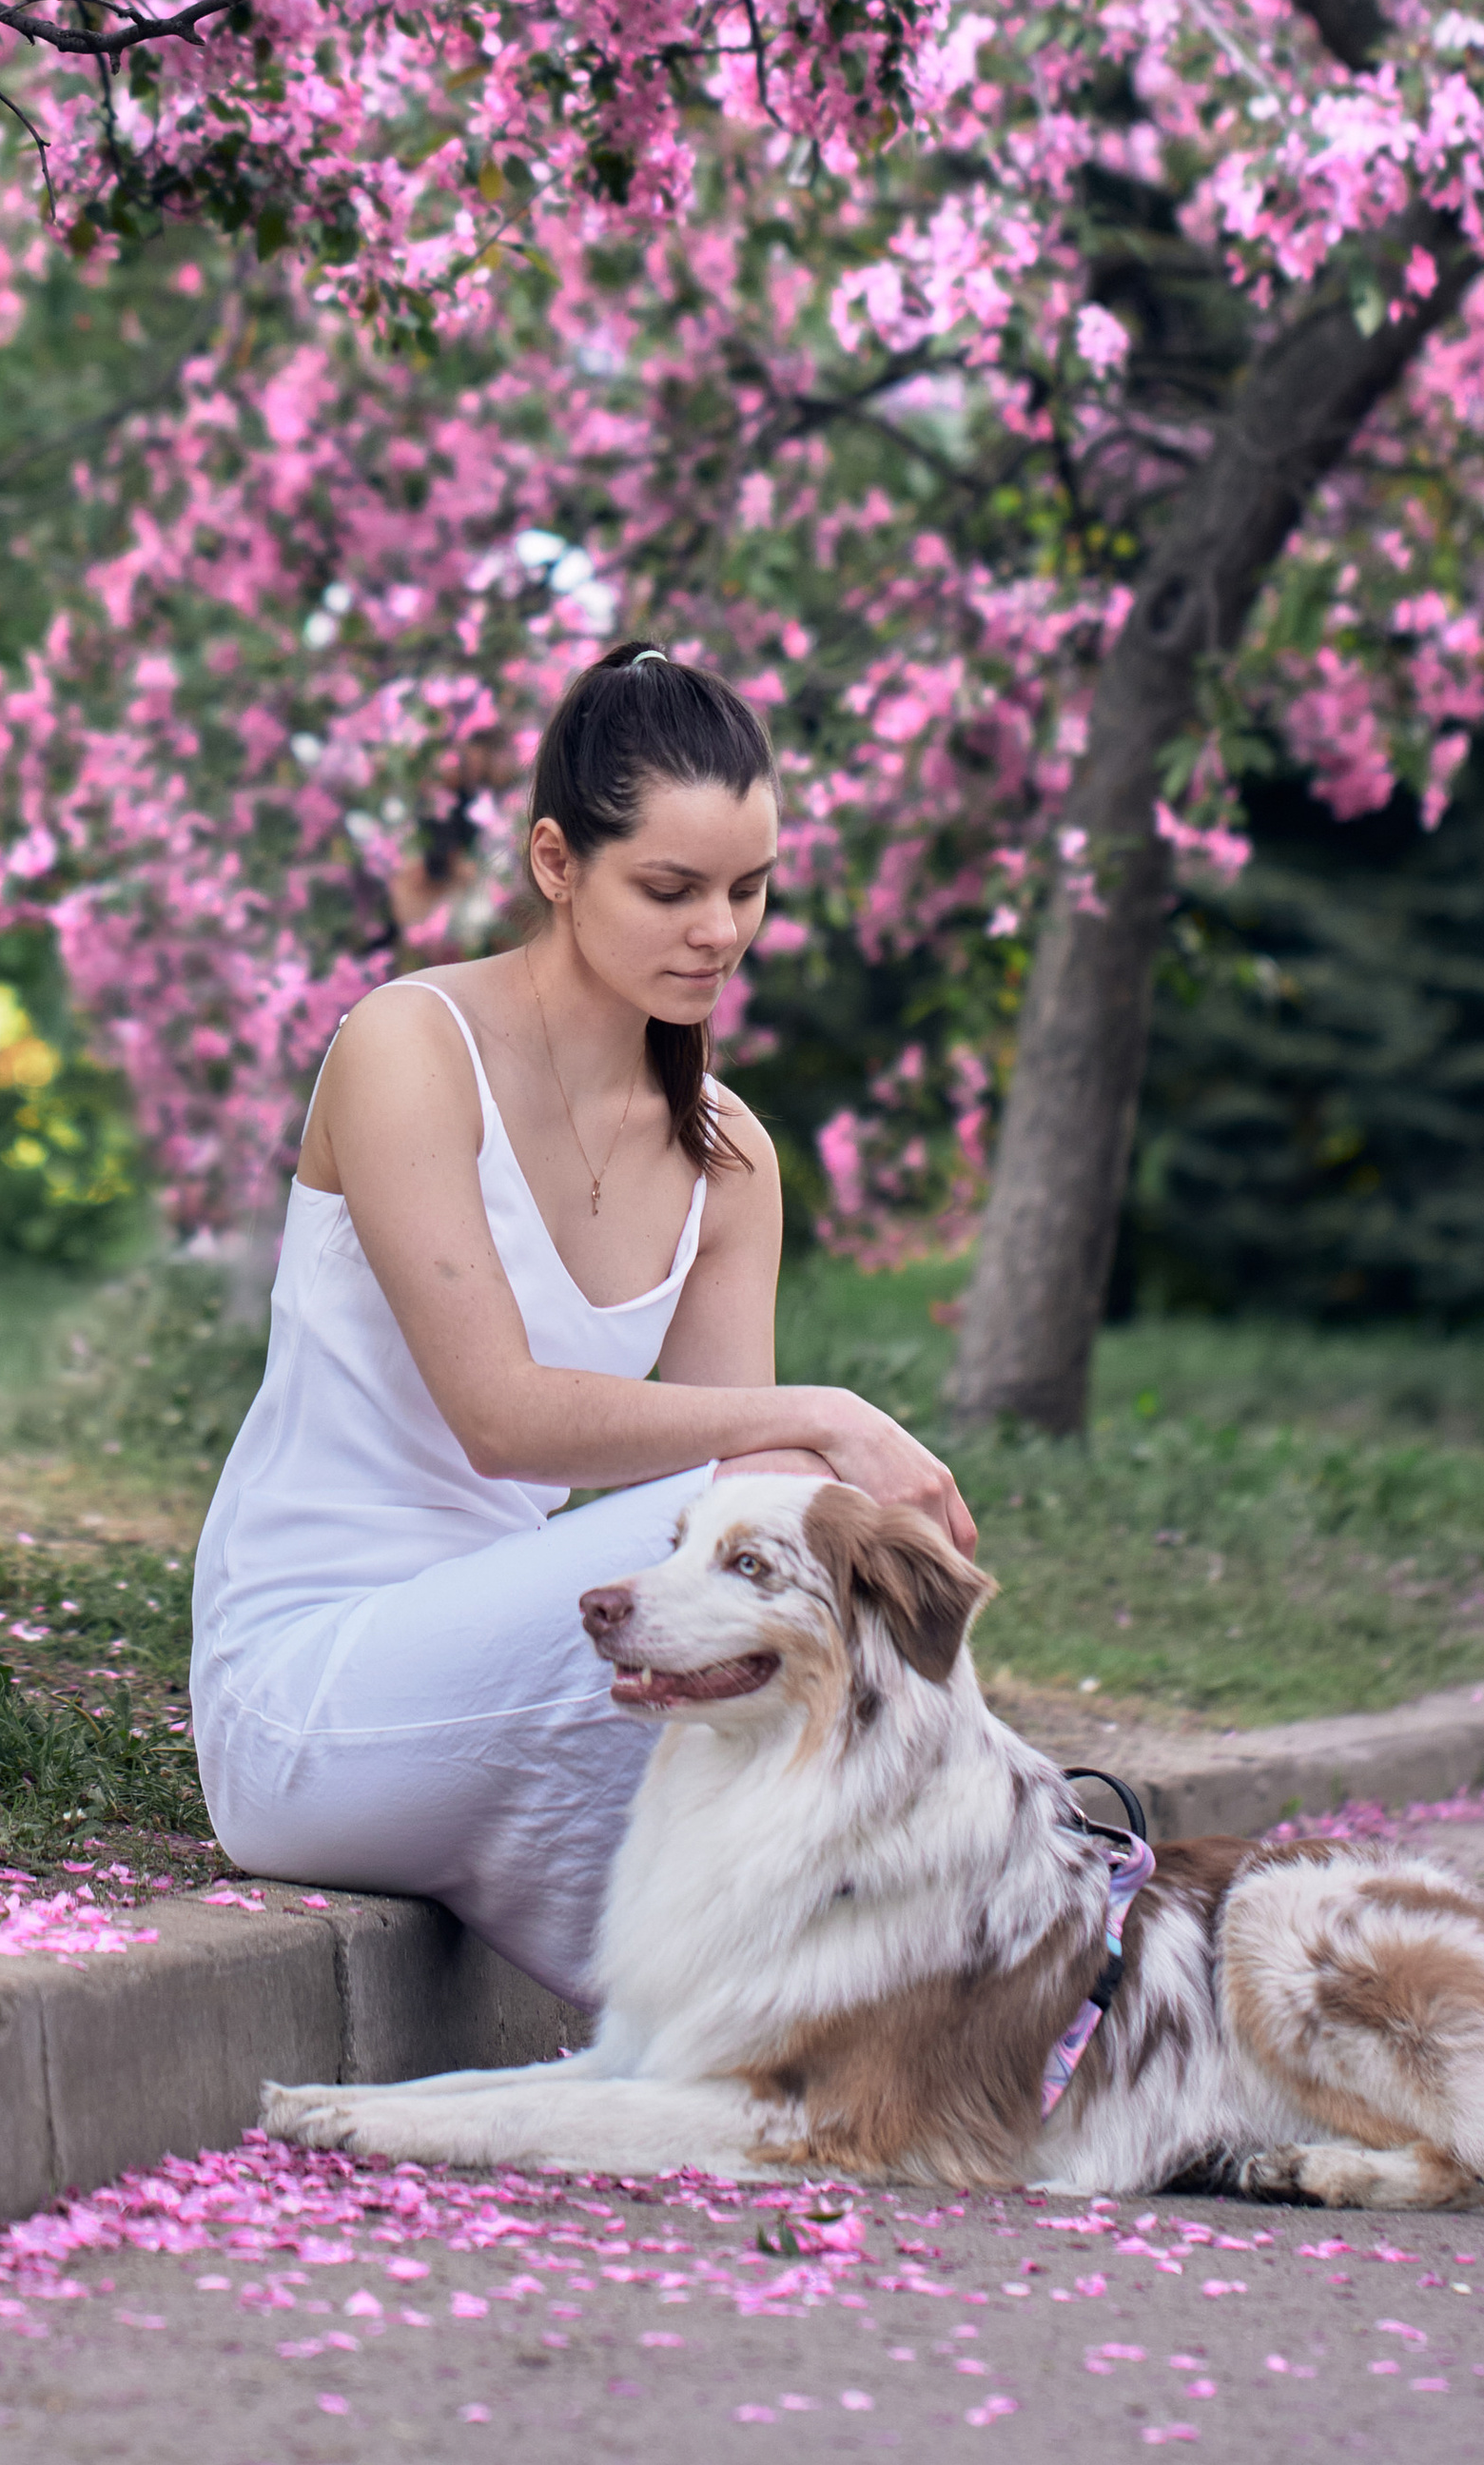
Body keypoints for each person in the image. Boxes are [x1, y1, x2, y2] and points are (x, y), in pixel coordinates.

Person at [189, 640, 977, 2003]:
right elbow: (500, 1418)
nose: (719, 931)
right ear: (557, 862)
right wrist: (832, 1417)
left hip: (516, 1674)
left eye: (749, 888)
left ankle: (975, 1948)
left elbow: (734, 1513)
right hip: (311, 1695)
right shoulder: (408, 1046)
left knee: (785, 1564)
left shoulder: (728, 1155)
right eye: (670, 890)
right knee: (800, 1485)